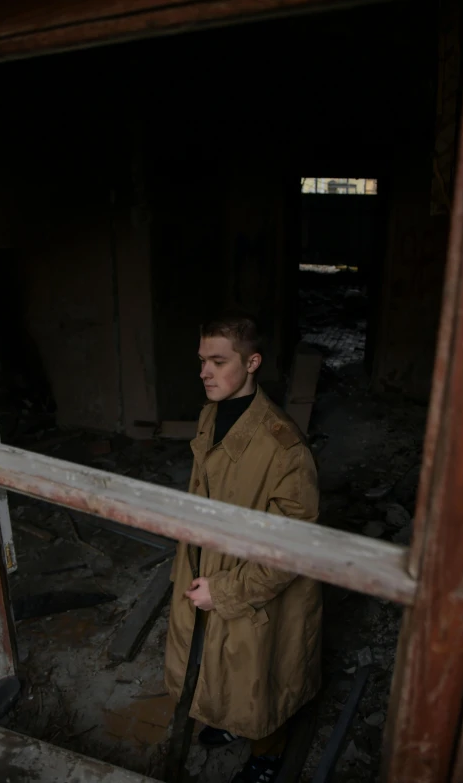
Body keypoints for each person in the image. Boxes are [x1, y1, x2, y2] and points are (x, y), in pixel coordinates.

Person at [164, 312, 322, 783]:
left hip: (252, 580)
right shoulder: (211, 414)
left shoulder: (285, 449)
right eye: (201, 361)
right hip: (209, 563)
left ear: (252, 363)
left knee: (262, 677)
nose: (203, 373)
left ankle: (268, 754)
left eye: (217, 361)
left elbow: (296, 548)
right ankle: (231, 724)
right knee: (215, 659)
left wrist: (228, 590)